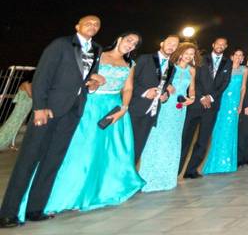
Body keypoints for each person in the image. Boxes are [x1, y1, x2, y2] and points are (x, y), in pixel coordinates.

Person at [0, 17, 103, 228]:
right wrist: (39, 107)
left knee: (52, 161)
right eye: (88, 23)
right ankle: (7, 213)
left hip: (73, 111)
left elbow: (84, 78)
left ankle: (35, 209)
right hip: (48, 110)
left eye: (96, 24)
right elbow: (42, 76)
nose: (92, 26)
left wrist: (93, 83)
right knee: (29, 159)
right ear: (77, 26)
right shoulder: (61, 44)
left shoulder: (97, 49)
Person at [42, 32, 144, 216]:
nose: (131, 45)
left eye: (135, 44)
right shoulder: (98, 55)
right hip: (91, 107)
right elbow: (80, 77)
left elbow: (128, 88)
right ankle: (64, 196)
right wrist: (93, 82)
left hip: (113, 110)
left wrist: (124, 107)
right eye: (129, 40)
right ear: (119, 38)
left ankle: (97, 192)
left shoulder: (130, 64)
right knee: (80, 151)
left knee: (105, 153)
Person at [139, 42, 196, 192]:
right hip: (166, 105)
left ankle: (168, 177)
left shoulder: (192, 70)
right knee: (158, 137)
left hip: (180, 109)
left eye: (192, 54)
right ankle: (149, 175)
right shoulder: (171, 66)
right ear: (181, 53)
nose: (189, 56)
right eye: (187, 53)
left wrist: (192, 98)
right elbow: (161, 82)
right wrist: (167, 87)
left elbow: (192, 88)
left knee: (173, 139)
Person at [181, 37, 232, 178]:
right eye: (218, 43)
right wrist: (202, 96)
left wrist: (210, 97)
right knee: (186, 137)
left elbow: (224, 83)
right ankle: (176, 168)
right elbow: (193, 80)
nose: (220, 46)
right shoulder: (201, 58)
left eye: (223, 44)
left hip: (212, 106)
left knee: (203, 140)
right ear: (213, 44)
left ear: (226, 46)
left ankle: (191, 170)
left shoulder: (228, 62)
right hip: (195, 104)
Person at [130, 34, 179, 161]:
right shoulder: (144, 59)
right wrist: (145, 92)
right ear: (162, 43)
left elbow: (165, 87)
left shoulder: (172, 68)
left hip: (152, 112)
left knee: (139, 146)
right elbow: (129, 81)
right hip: (135, 108)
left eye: (175, 45)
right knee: (126, 143)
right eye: (169, 43)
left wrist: (166, 96)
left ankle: (130, 174)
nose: (171, 47)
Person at [203, 49, 247, 175]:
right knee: (218, 130)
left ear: (243, 58)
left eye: (241, 55)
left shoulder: (244, 70)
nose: (238, 57)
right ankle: (215, 162)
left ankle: (227, 163)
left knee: (230, 130)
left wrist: (240, 104)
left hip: (234, 103)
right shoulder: (225, 68)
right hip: (222, 101)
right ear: (232, 57)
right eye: (236, 55)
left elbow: (243, 88)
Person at [0, 82, 32, 151]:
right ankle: (2, 141)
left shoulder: (31, 85)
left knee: (17, 126)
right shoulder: (26, 84)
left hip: (25, 109)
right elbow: (30, 95)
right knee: (12, 124)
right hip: (20, 109)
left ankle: (12, 143)